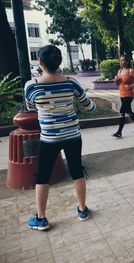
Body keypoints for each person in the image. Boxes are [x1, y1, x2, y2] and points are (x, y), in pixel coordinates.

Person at [25, 45, 96, 230]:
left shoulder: (31, 85)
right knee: (76, 171)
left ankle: (40, 219)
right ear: (59, 62)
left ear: (40, 63)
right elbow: (89, 106)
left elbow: (31, 107)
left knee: (43, 176)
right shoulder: (70, 83)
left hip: (49, 138)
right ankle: (82, 210)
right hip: (73, 134)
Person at [112, 55, 134, 138]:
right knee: (128, 111)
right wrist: (116, 80)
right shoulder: (119, 71)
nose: (121, 62)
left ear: (127, 61)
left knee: (122, 112)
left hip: (129, 95)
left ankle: (119, 132)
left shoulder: (131, 71)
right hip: (122, 94)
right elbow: (117, 84)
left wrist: (130, 86)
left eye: (123, 60)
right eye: (120, 60)